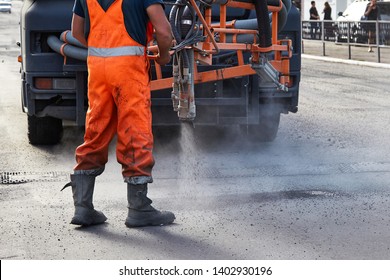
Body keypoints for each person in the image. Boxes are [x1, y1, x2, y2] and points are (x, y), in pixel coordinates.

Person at [62, 0, 175, 228]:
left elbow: (76, 32)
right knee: (135, 131)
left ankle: (83, 208)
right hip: (128, 70)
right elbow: (163, 32)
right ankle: (139, 209)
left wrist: (101, 50)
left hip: (97, 68)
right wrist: (164, 57)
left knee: (96, 129)